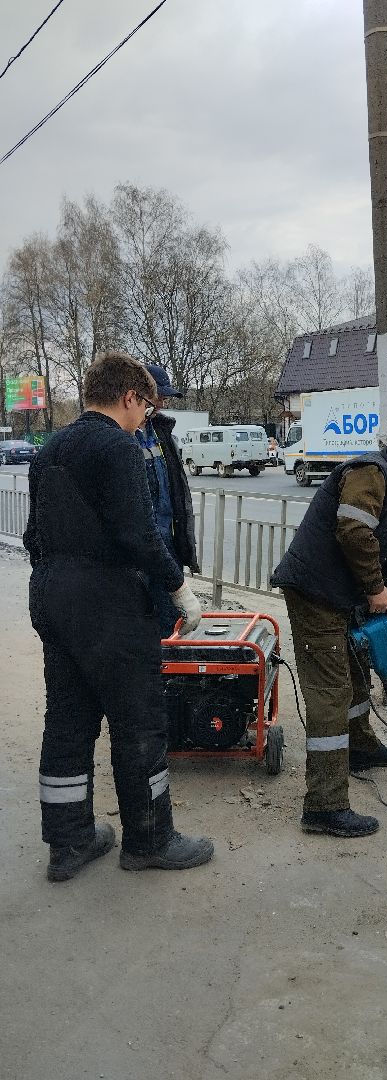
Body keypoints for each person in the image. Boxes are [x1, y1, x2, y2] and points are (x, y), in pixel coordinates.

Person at [23, 350, 214, 882]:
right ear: (130, 397)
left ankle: (69, 843)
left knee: (67, 721)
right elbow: (138, 535)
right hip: (109, 605)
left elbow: (34, 535)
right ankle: (150, 840)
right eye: (145, 406)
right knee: (139, 723)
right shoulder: (118, 447)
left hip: (53, 598)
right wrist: (178, 585)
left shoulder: (50, 448)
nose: (144, 417)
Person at [272, 425, 387, 838]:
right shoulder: (371, 473)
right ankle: (324, 806)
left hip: (341, 596)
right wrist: (375, 588)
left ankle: (360, 748)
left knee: (356, 674)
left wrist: (377, 591)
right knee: (330, 692)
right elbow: (354, 531)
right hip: (316, 594)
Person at [135, 363, 200, 637]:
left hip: (167, 546)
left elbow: (176, 491)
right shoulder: (119, 437)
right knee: (142, 625)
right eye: (158, 396)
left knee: (171, 623)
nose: (161, 403)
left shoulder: (161, 433)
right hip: (138, 555)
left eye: (164, 397)